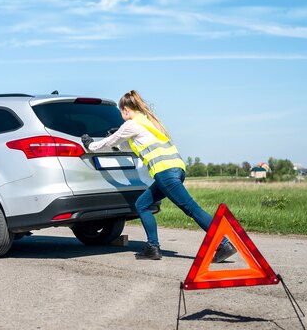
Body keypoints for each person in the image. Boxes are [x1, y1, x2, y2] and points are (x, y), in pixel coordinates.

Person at [81, 90, 237, 261]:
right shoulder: (149, 122)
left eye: (120, 111)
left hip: (165, 174)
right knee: (142, 204)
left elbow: (110, 142)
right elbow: (125, 144)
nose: (121, 115)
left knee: (192, 209)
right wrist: (117, 139)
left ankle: (223, 243)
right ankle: (152, 248)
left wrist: (91, 146)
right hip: (176, 169)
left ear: (126, 109)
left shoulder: (131, 124)